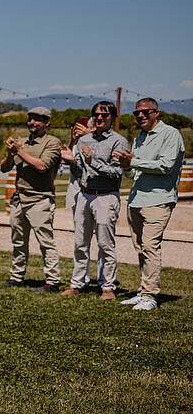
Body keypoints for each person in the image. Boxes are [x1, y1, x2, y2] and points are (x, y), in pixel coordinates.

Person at [118, 97, 184, 311]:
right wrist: (125, 166)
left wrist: (133, 162)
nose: (141, 116)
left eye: (146, 112)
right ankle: (144, 291)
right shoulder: (139, 138)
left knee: (150, 247)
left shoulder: (171, 134)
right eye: (137, 113)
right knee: (141, 248)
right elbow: (134, 173)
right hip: (137, 199)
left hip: (159, 199)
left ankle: (151, 297)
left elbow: (165, 166)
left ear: (157, 112)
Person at [60, 102, 125, 300]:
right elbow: (79, 171)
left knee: (105, 244)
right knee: (80, 243)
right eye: (96, 114)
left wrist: (92, 162)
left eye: (104, 115)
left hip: (106, 196)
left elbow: (116, 173)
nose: (99, 118)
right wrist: (72, 161)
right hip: (84, 195)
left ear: (113, 118)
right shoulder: (84, 139)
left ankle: (107, 287)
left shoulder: (119, 141)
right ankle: (77, 283)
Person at [0, 107, 62, 291]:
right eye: (30, 119)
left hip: (41, 200)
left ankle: (53, 282)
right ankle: (16, 278)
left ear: (47, 122)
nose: (32, 123)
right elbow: (4, 168)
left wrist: (20, 151)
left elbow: (42, 166)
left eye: (37, 120)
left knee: (46, 243)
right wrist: (11, 153)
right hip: (19, 200)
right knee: (18, 242)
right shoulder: (22, 142)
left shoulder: (52, 142)